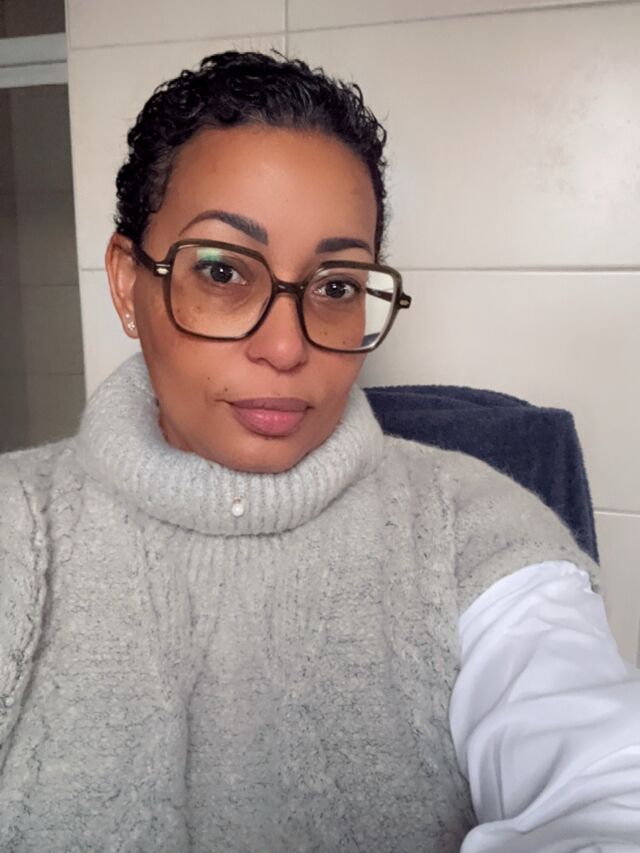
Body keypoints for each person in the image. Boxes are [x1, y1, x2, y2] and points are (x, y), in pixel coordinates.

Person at [0, 50, 638, 852]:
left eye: (336, 286)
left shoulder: (474, 525)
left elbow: (605, 780)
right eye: (223, 271)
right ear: (130, 284)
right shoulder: (18, 528)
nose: (284, 347)